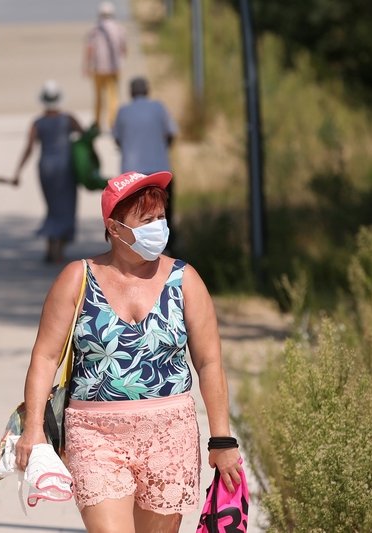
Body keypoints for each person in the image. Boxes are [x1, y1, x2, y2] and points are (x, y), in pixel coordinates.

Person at [15, 171, 243, 532]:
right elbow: (44, 357)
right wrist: (32, 430)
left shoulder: (184, 280)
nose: (159, 227)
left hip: (170, 433)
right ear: (115, 228)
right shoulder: (77, 278)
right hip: (94, 434)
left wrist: (222, 439)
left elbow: (209, 362)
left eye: (161, 217)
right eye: (147, 219)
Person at [14, 80, 83, 264]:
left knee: (52, 208)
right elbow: (84, 136)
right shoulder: (68, 119)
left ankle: (50, 248)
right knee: (66, 207)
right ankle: (58, 250)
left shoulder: (37, 123)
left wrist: (18, 171)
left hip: (45, 168)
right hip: (65, 168)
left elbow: (29, 148)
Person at [113, 76, 179, 253]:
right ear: (147, 90)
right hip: (159, 169)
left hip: (132, 175)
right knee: (164, 213)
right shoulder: (159, 107)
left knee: (135, 216)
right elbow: (171, 133)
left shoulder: (123, 111)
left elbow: (117, 139)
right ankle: (167, 249)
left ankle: (134, 249)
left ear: (131, 92)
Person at [84, 1, 127, 130]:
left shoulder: (94, 30)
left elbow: (90, 49)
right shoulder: (119, 29)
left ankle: (97, 123)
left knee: (98, 98)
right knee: (113, 96)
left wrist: (87, 66)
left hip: (98, 69)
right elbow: (124, 49)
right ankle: (112, 122)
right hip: (114, 68)